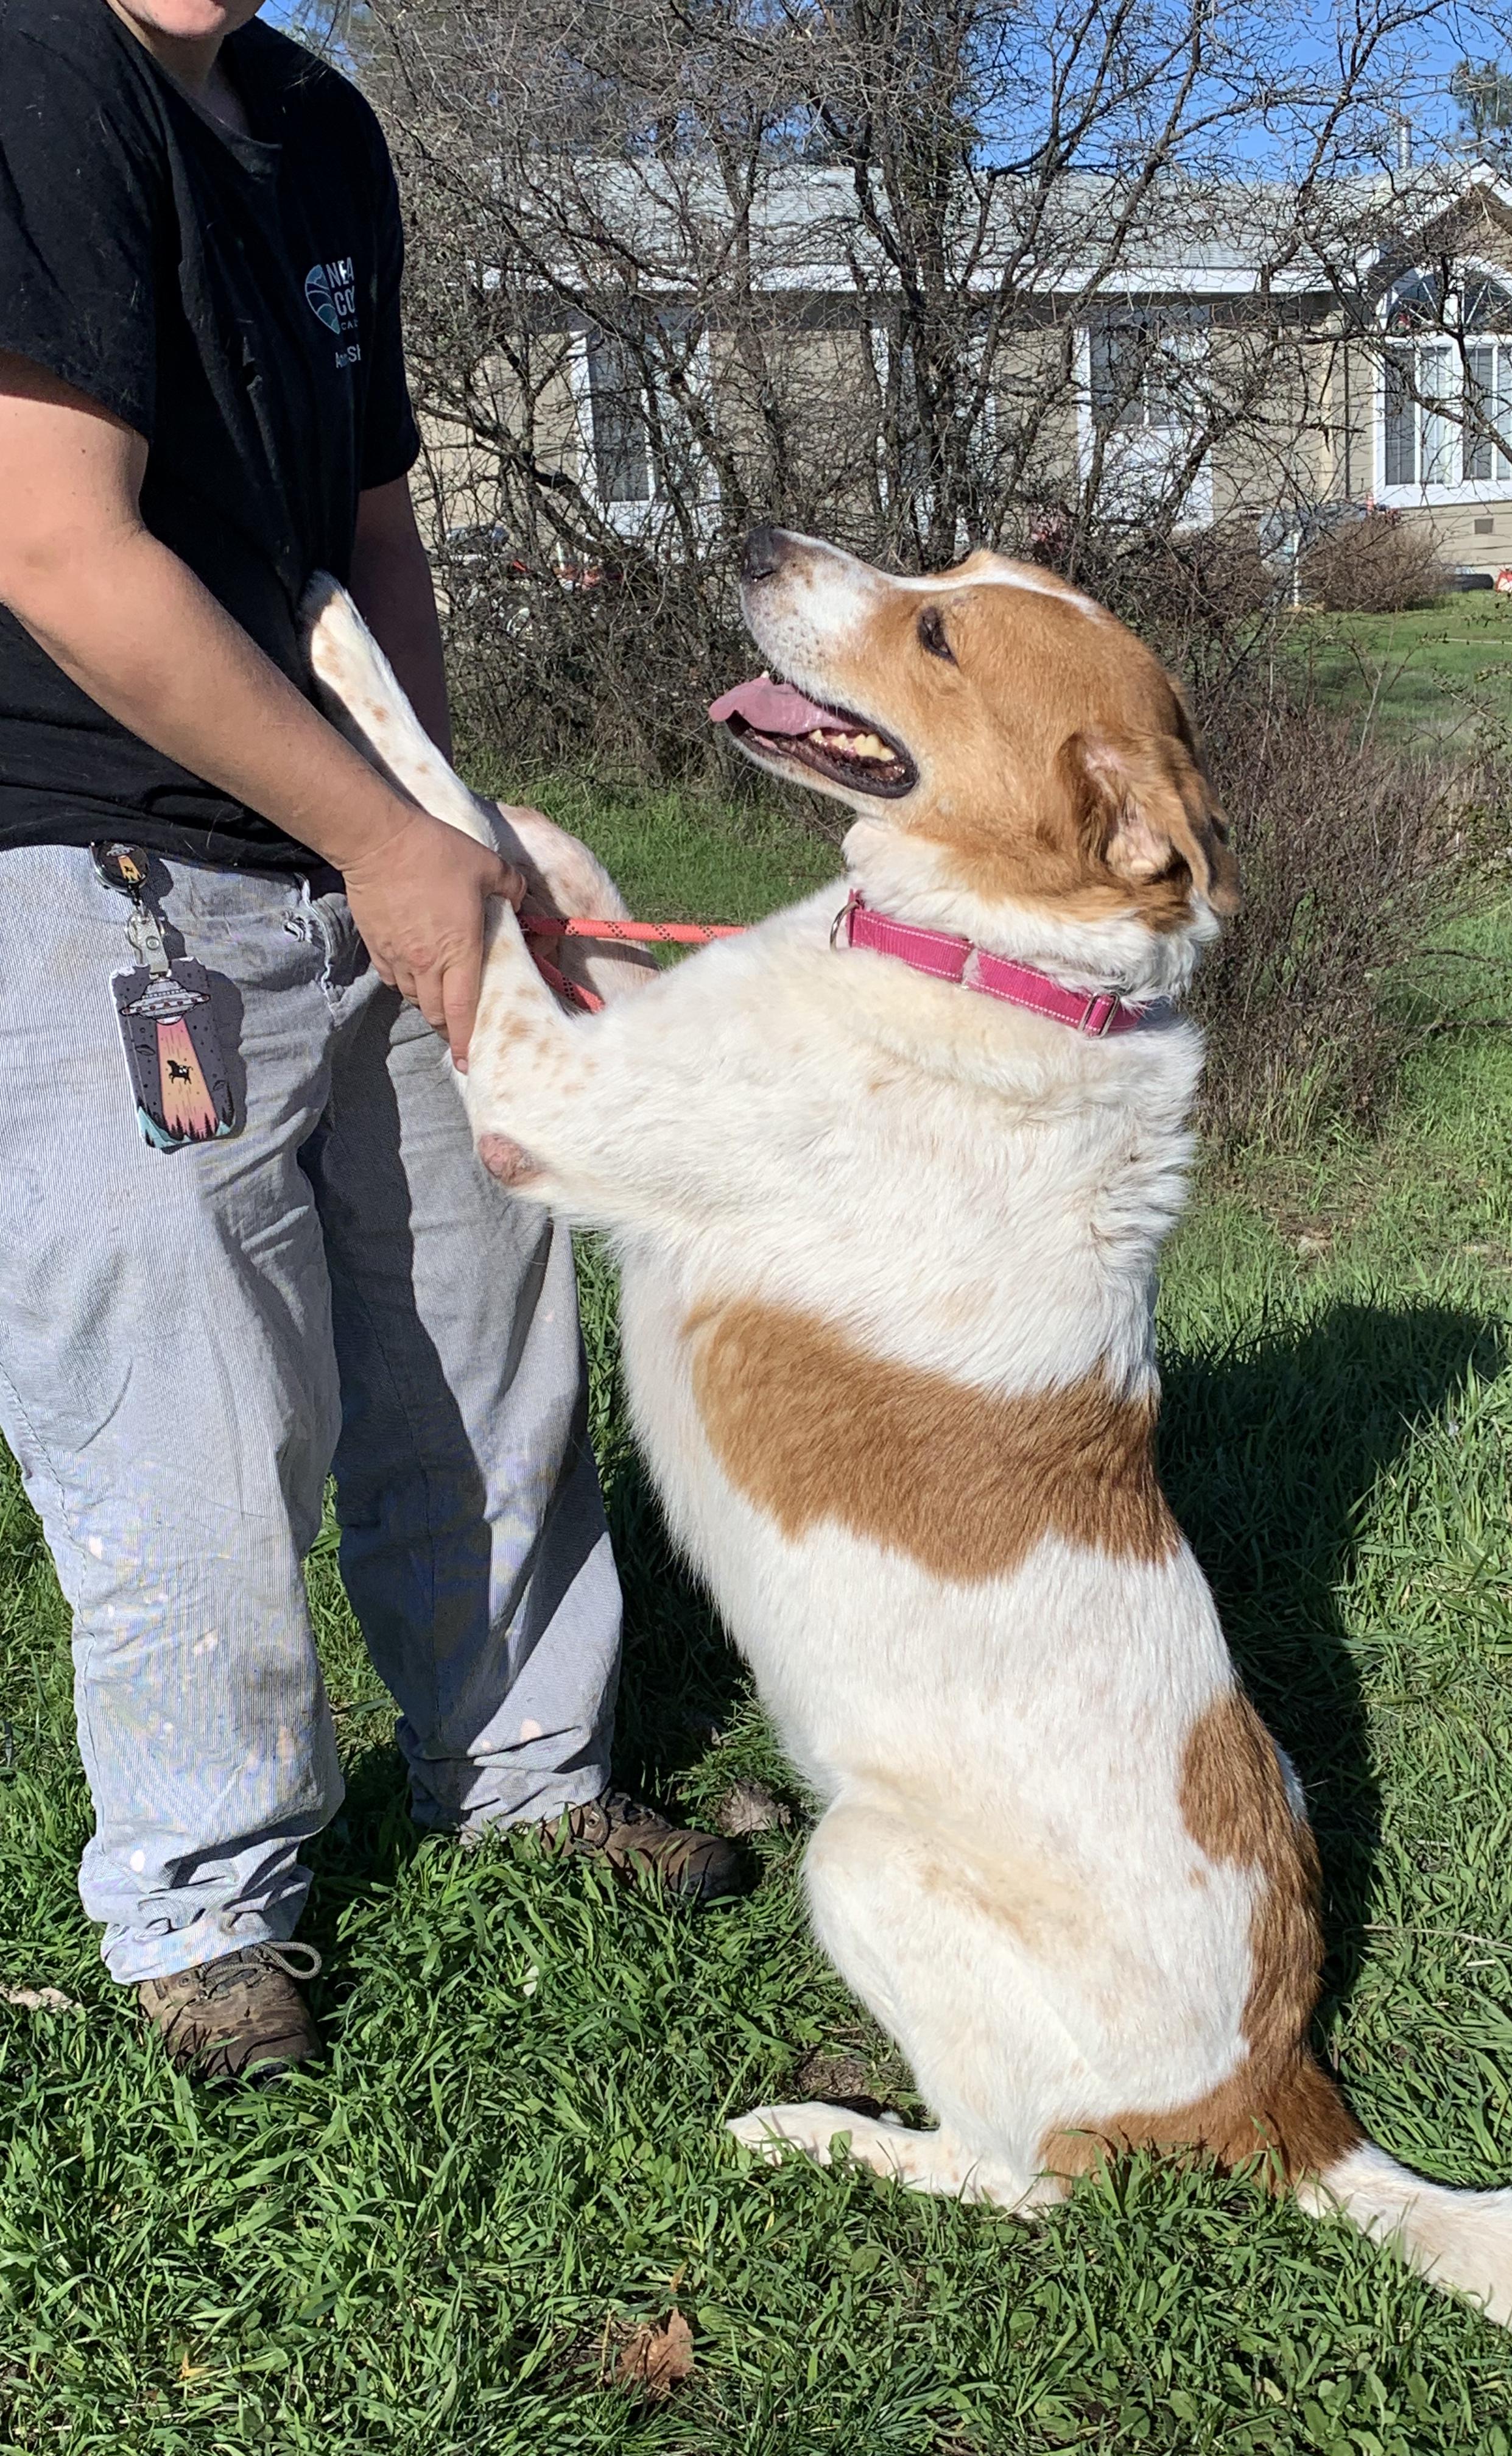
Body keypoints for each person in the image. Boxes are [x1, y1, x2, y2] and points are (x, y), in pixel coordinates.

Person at [0, 0, 740, 2084]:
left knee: (480, 1308)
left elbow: (375, 531)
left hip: (360, 831)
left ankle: (527, 1778)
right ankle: (208, 1904)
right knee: (190, 1405)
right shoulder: (37, 77)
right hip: (84, 857)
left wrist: (447, 827)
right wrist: (376, 833)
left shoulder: (317, 119)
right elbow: (54, 543)